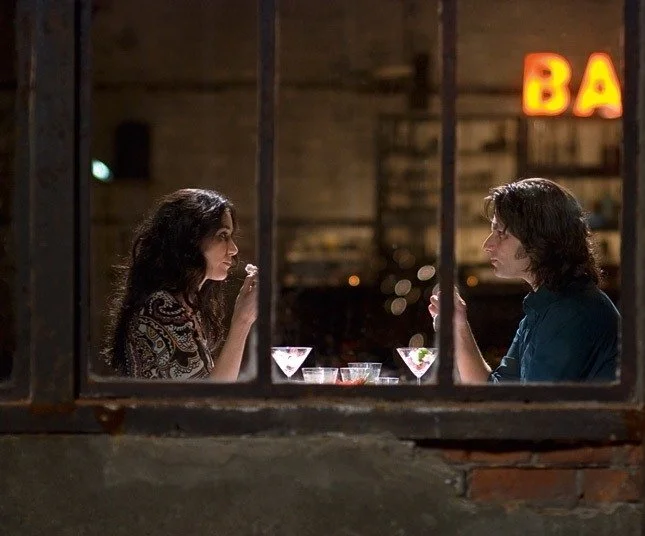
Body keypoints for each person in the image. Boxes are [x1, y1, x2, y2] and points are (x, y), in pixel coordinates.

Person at [428, 178, 619, 383]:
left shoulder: (571, 313)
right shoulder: (545, 305)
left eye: (501, 233)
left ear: (538, 239)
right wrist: (458, 324)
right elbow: (494, 390)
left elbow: (531, 403)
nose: (488, 245)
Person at [104, 188, 258, 381]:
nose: (234, 249)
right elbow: (208, 396)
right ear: (191, 239)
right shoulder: (161, 309)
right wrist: (242, 321)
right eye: (222, 235)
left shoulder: (185, 305)